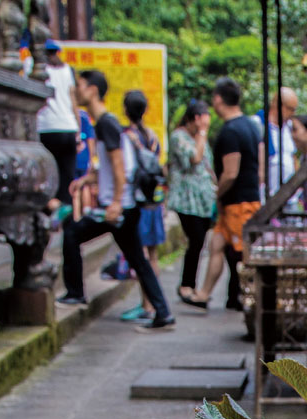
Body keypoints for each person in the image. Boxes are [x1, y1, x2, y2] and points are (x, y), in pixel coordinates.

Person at [58, 69, 175, 332]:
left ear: (93, 91)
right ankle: (163, 313)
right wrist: (88, 180)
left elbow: (120, 167)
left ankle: (75, 291)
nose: (76, 91)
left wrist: (116, 204)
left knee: (72, 231)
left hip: (120, 208)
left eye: (80, 85)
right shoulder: (106, 124)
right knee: (138, 260)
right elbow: (110, 167)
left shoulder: (107, 124)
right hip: (123, 207)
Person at [183, 77, 264, 311]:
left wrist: (218, 193)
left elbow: (230, 172)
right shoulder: (251, 126)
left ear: (218, 100)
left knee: (243, 255)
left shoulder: (230, 131)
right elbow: (260, 167)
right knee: (216, 246)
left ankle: (249, 298)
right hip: (243, 200)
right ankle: (204, 294)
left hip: (238, 203)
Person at [119, 90, 166, 322]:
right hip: (153, 201)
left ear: (125, 110)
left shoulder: (127, 136)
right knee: (152, 254)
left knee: (141, 255)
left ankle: (147, 304)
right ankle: (151, 302)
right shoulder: (151, 135)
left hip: (136, 200)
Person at [168, 99, 216, 306]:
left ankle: (191, 285)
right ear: (196, 119)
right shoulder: (179, 137)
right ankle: (186, 285)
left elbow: (207, 164)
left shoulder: (198, 138)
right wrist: (203, 133)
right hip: (186, 200)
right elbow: (194, 159)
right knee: (195, 240)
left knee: (199, 242)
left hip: (204, 201)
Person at [36, 39, 80, 220]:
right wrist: (78, 129)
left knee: (45, 173)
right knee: (67, 176)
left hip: (46, 127)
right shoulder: (67, 70)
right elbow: (73, 101)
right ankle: (67, 215)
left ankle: (49, 209)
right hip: (68, 126)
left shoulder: (36, 67)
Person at [73, 109, 96, 216]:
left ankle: (76, 216)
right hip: (83, 158)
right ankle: (85, 213)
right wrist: (91, 158)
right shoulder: (84, 116)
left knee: (75, 187)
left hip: (74, 158)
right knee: (84, 186)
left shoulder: (70, 114)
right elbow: (90, 139)